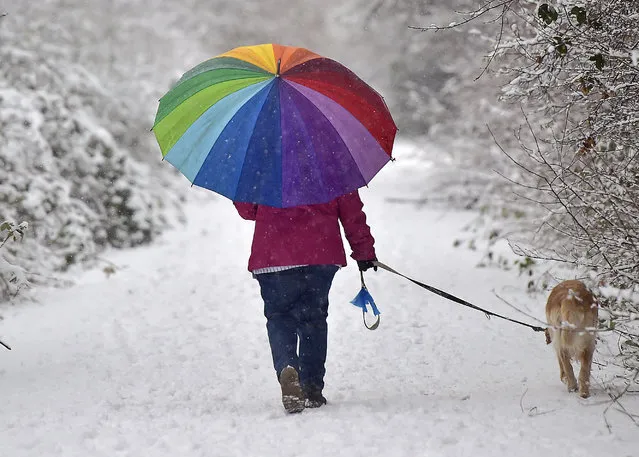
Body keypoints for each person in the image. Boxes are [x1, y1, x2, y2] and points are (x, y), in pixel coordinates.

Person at [234, 189, 377, 414]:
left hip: (274, 255)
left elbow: (247, 209)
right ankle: (311, 388)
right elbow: (351, 211)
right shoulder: (332, 158)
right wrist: (364, 251)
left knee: (280, 317)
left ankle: (288, 367)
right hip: (320, 252)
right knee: (314, 319)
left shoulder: (263, 160)